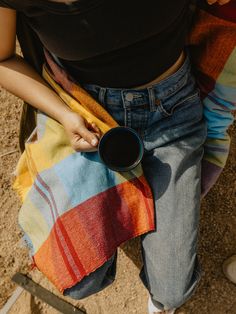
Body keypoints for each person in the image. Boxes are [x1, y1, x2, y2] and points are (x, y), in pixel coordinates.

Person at [0, 0, 232, 313]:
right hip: (87, 114)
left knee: (172, 292)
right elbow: (2, 60)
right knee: (83, 280)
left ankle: (141, 214)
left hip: (174, 112)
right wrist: (64, 114)